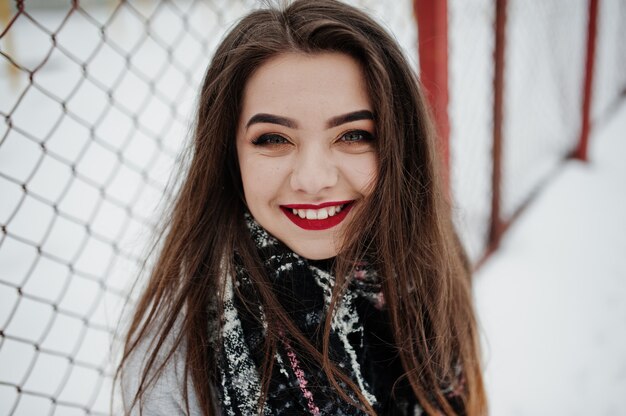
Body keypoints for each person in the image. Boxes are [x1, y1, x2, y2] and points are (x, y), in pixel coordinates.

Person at [117, 1, 486, 415]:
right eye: (273, 139)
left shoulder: (430, 262)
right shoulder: (181, 357)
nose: (312, 180)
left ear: (398, 146)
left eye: (353, 135)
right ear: (228, 156)